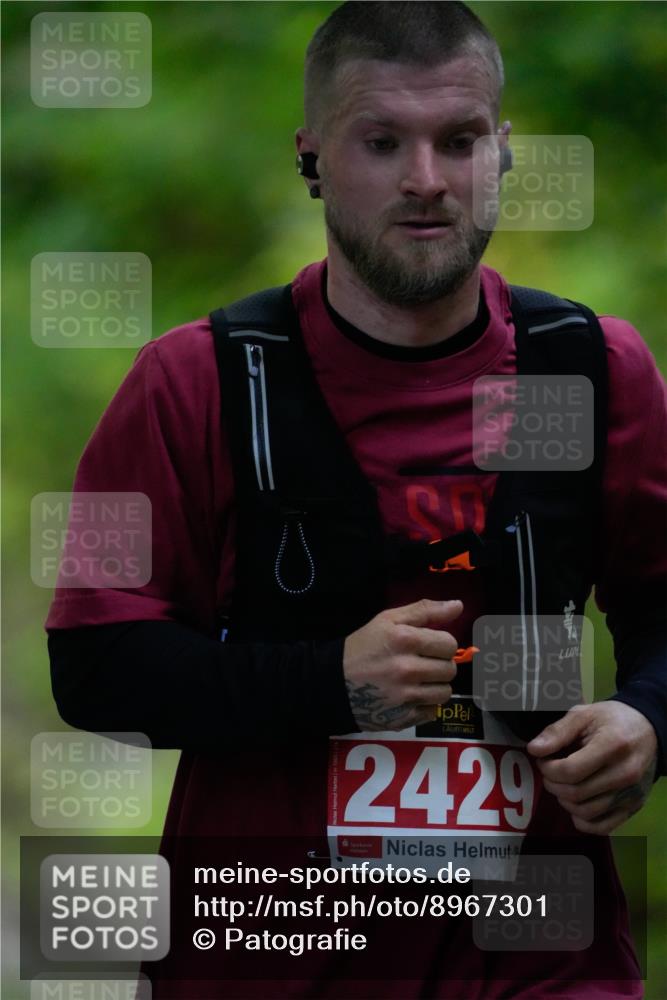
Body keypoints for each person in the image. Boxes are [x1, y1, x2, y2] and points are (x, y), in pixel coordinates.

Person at [47, 2, 666, 997]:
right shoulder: (200, 383)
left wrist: (648, 718)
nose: (425, 180)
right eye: (381, 141)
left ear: (501, 154)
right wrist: (326, 681)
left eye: (458, 140)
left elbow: (658, 601)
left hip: (540, 961)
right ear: (313, 155)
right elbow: (95, 665)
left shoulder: (584, 370)